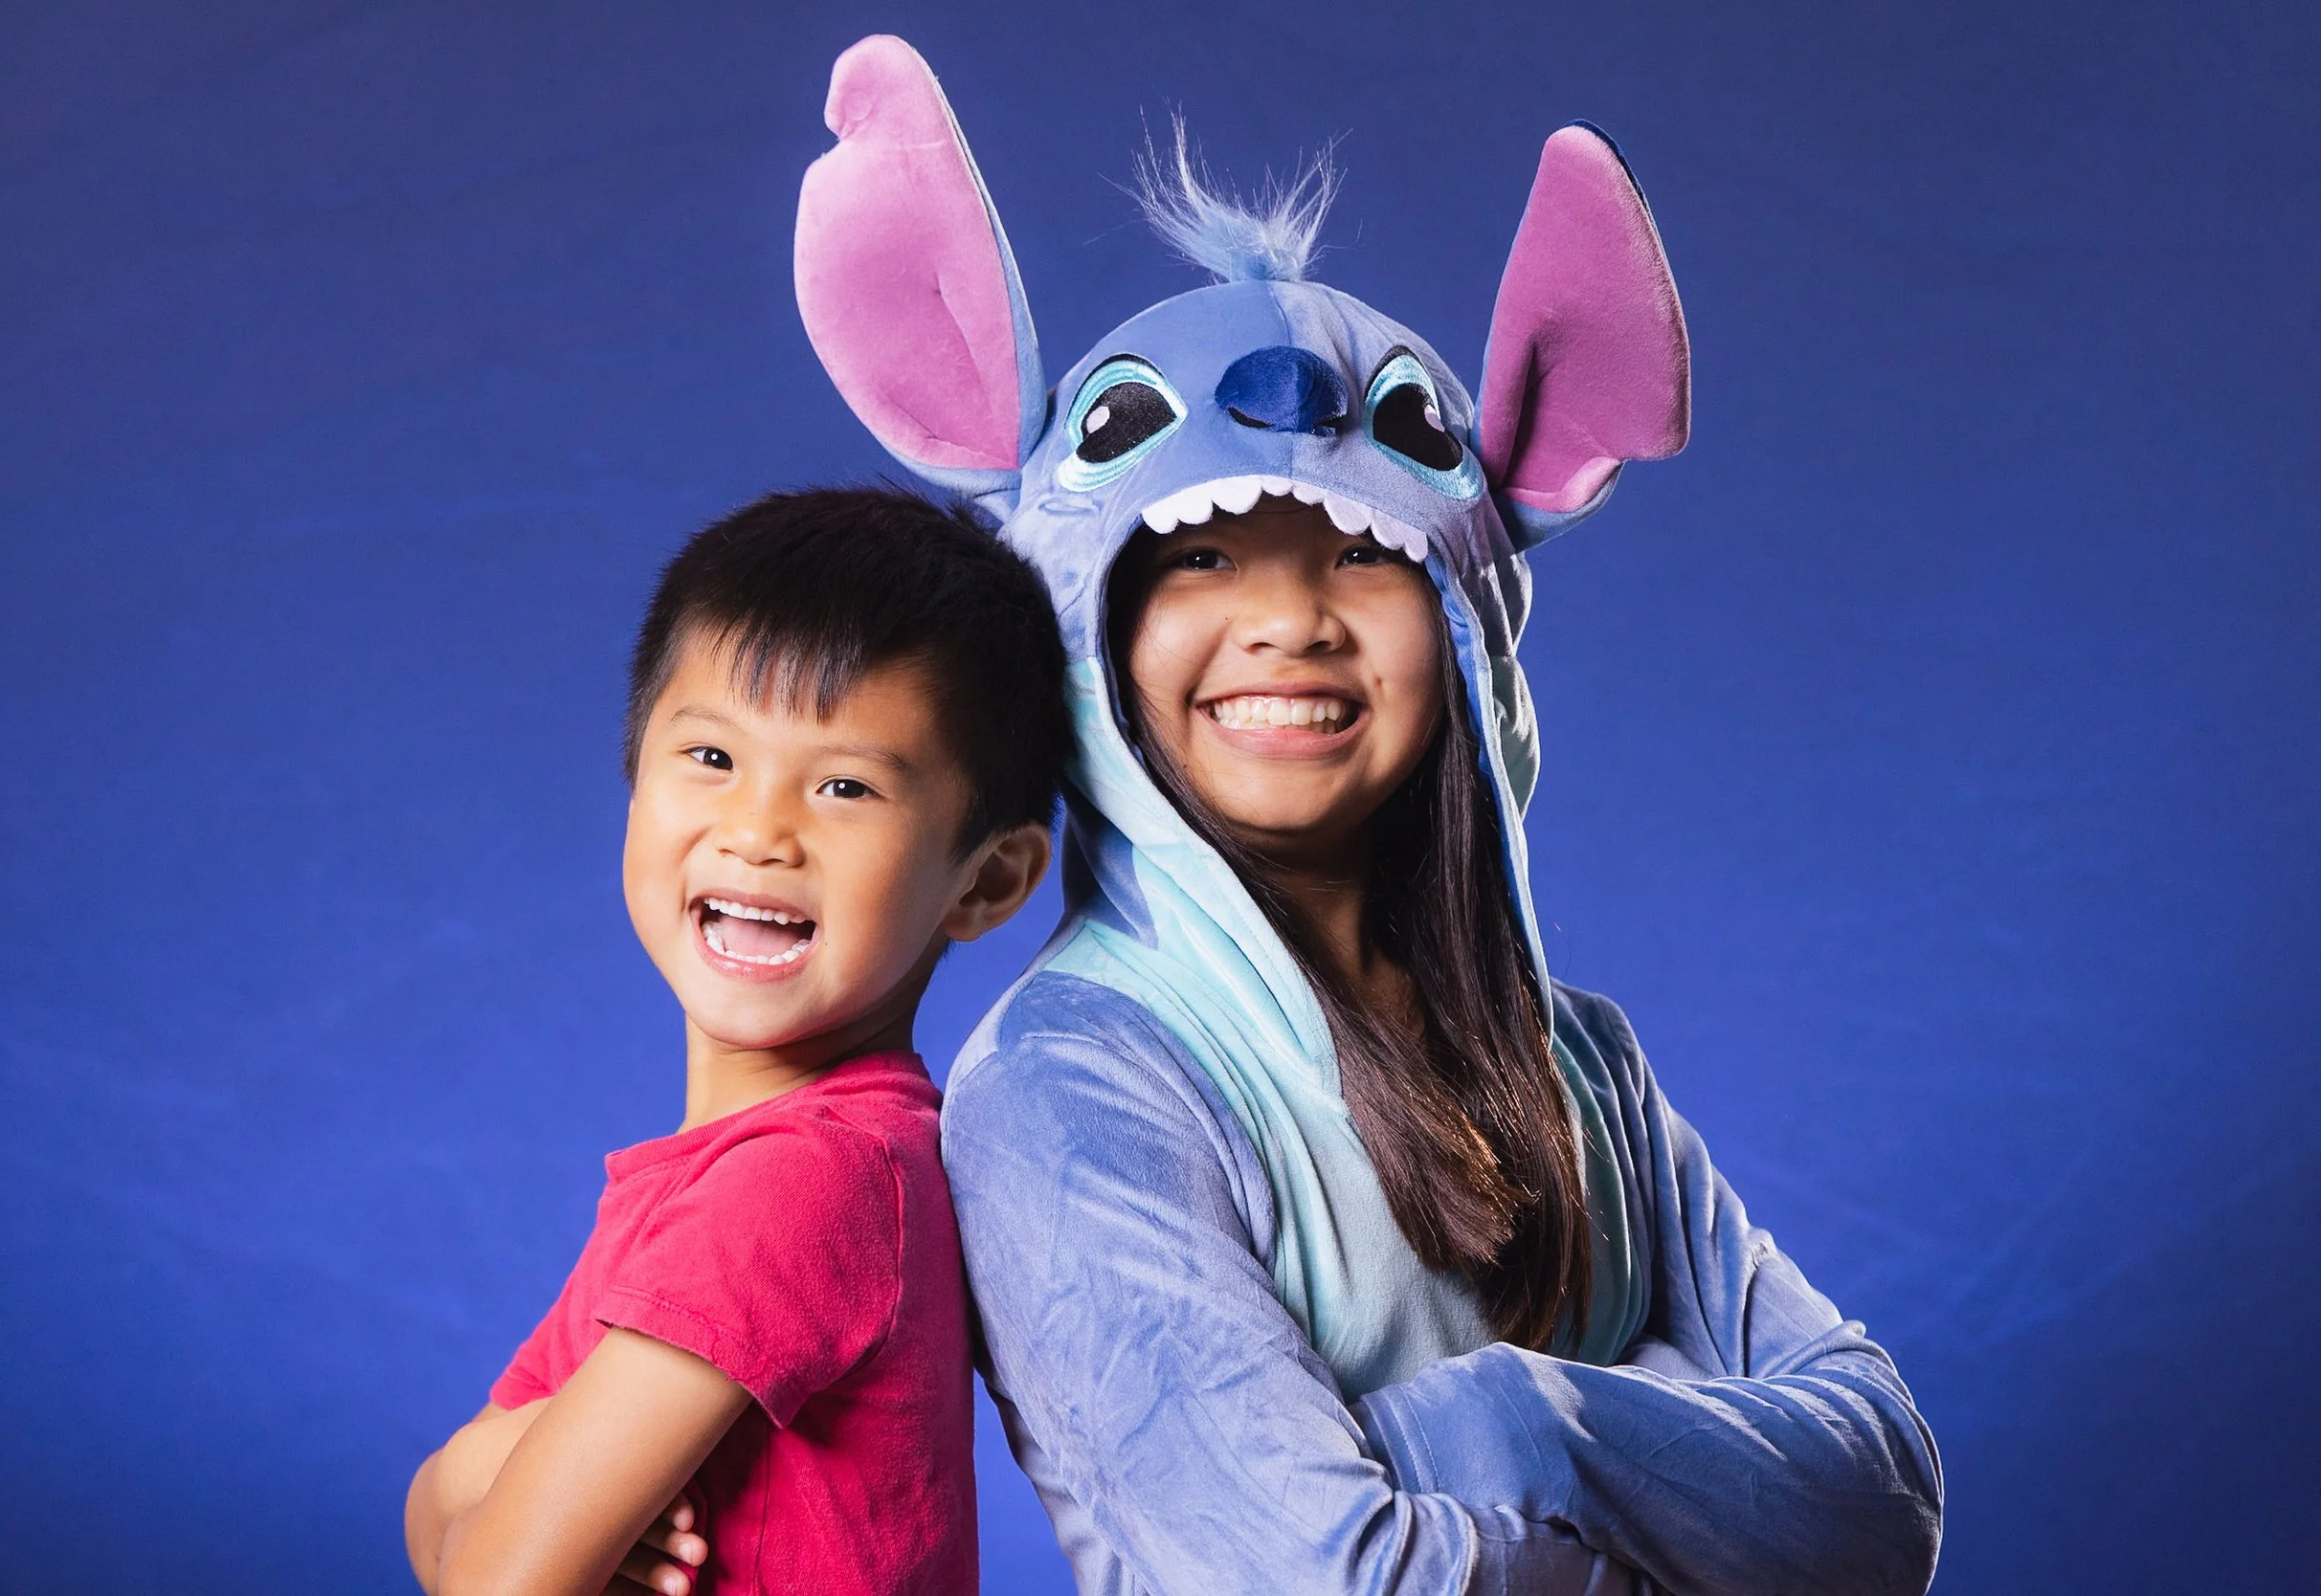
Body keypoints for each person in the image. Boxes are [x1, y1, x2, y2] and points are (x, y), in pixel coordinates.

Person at [789, 34, 1945, 1595]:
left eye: (1359, 557)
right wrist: (1688, 1479)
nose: (1288, 624)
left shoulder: (1579, 1062)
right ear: (1085, 635)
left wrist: (1508, 1427)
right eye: (1196, 559)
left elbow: (1879, 1497)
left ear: (1463, 622)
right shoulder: (1073, 1091)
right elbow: (1318, 1577)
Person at [401, 487, 1073, 1596]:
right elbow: (436, 1519)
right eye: (711, 758)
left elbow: (481, 1574)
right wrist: (489, 1480)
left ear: (986, 880)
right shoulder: (722, 1179)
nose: (759, 831)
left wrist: (498, 1489)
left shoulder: (807, 1181)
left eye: (846, 785)